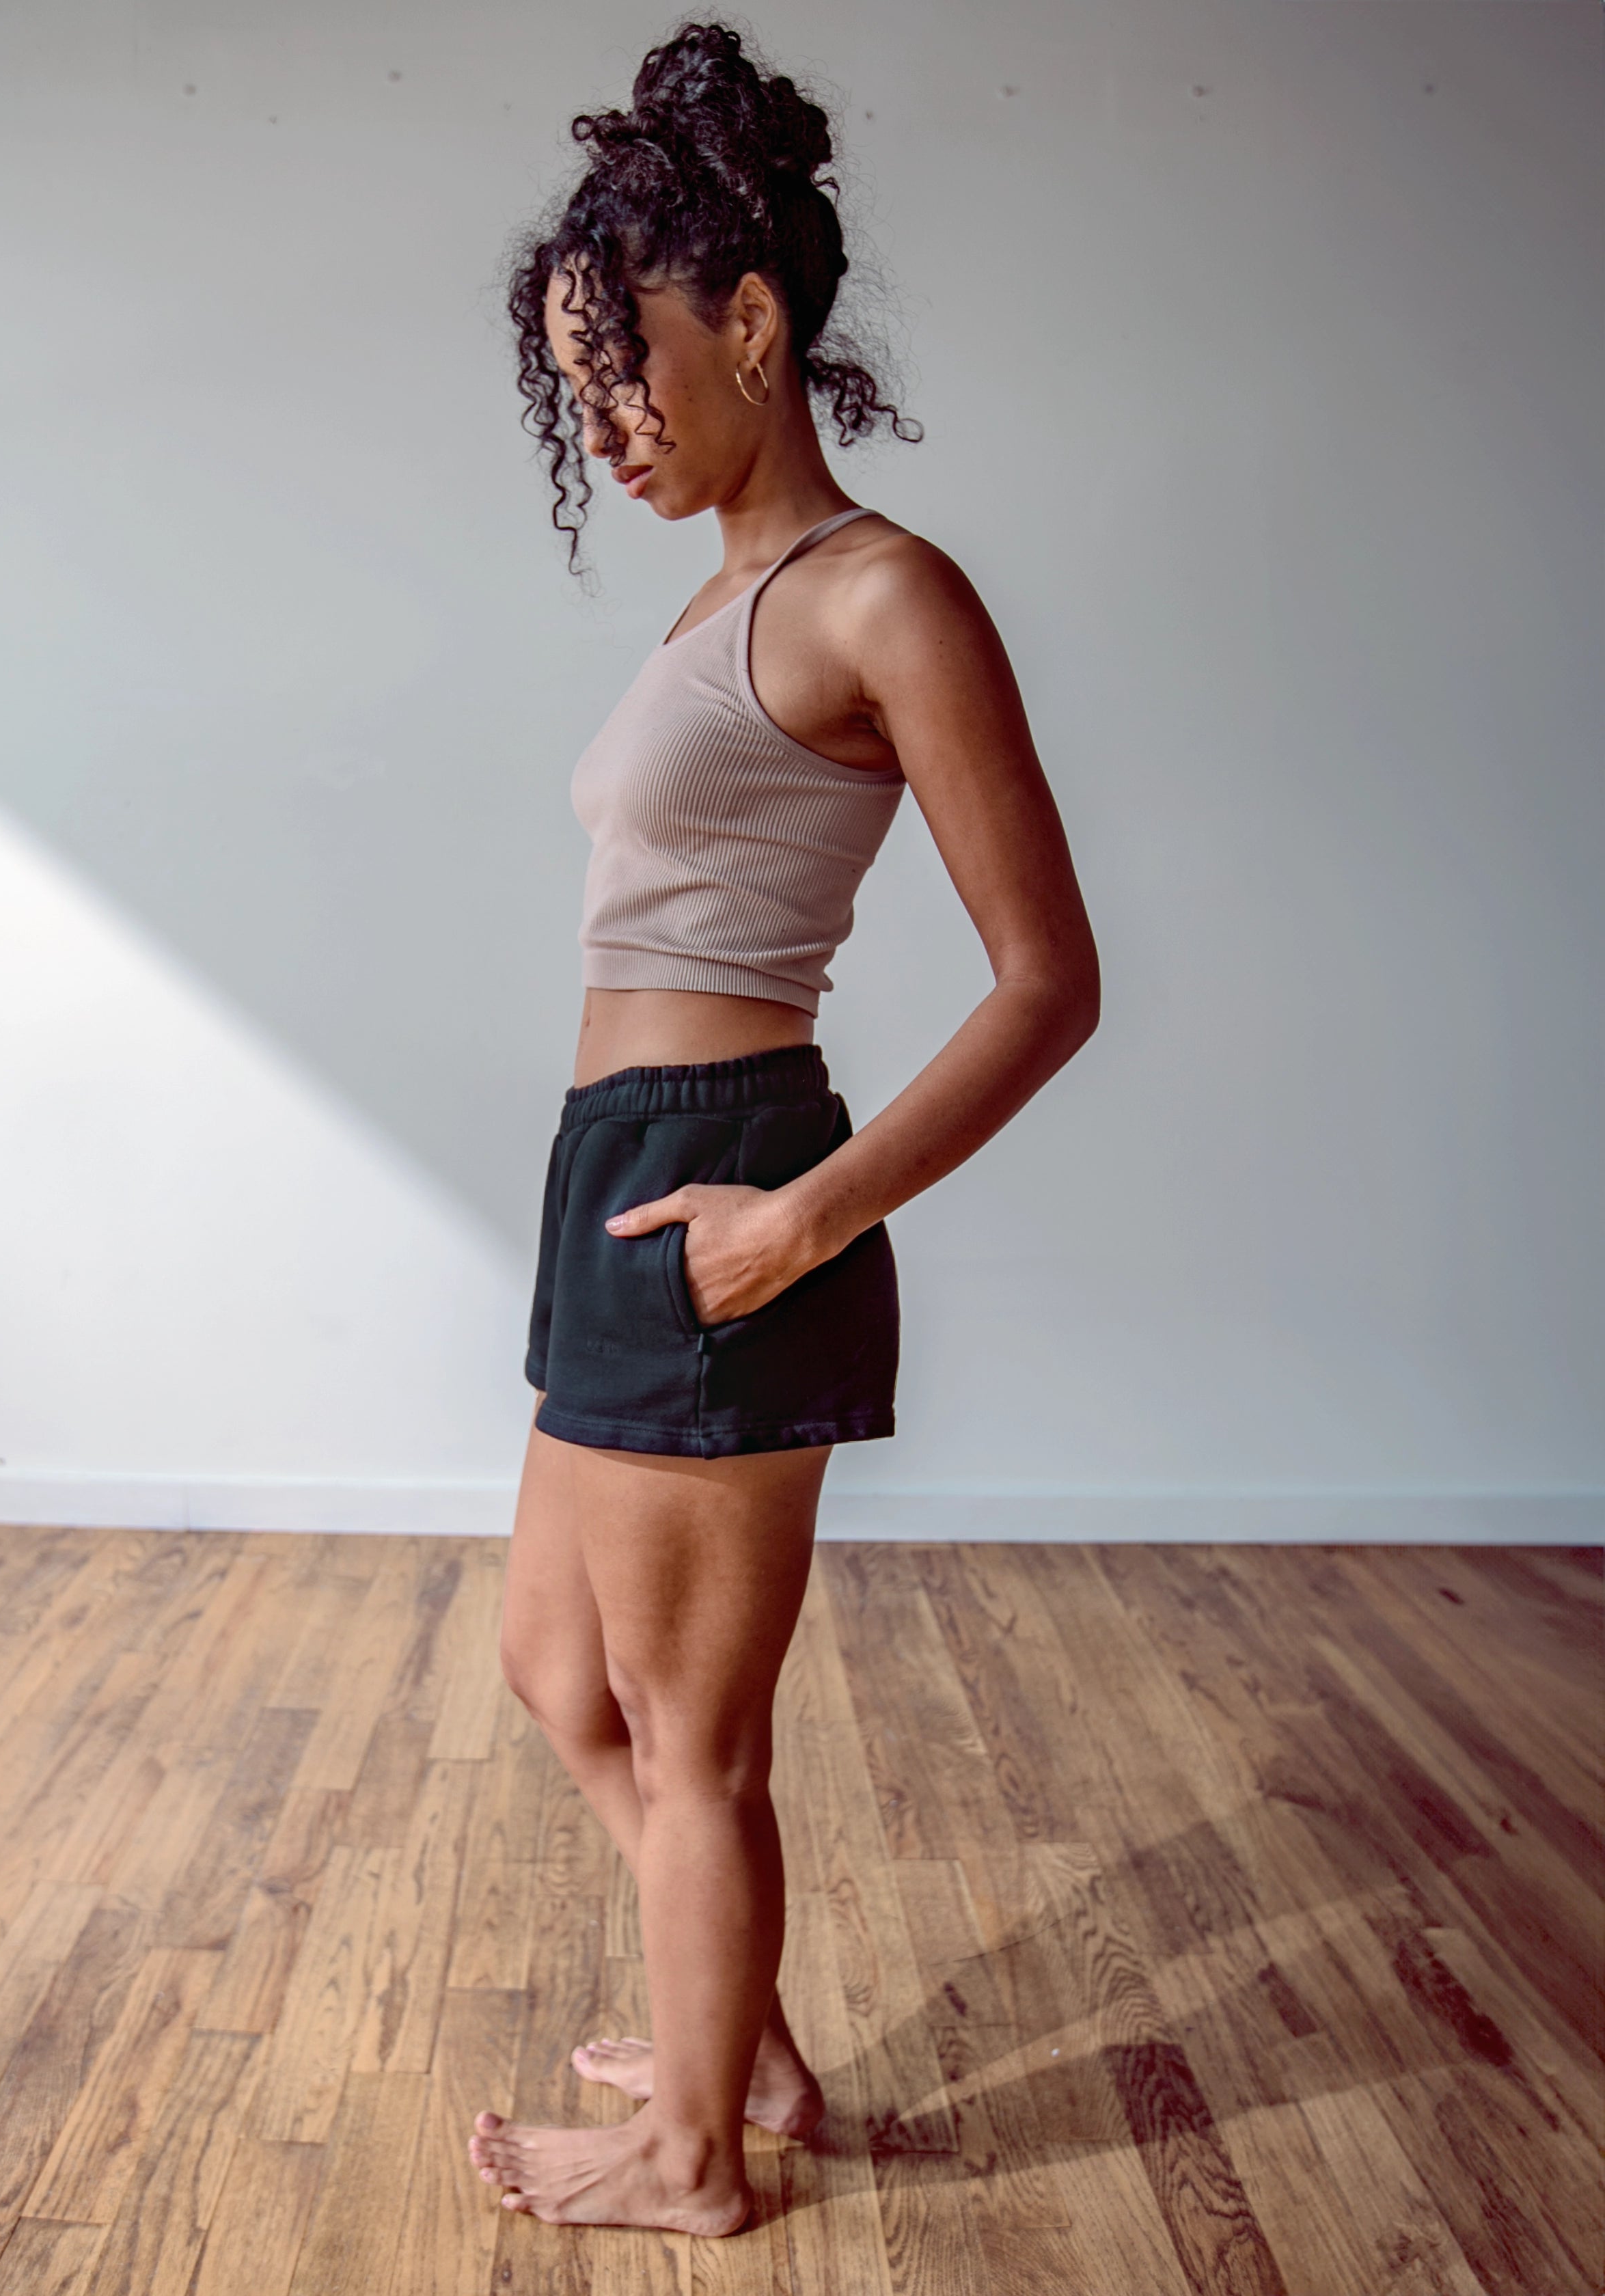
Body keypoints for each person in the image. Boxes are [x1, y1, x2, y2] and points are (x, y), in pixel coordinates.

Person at [468, 18, 1100, 2239]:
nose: (604, 423)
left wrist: (809, 1219)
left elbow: (1051, 984)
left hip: (733, 1155)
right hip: (612, 1169)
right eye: (572, 391)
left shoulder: (878, 593)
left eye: (621, 366)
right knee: (563, 1669)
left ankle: (693, 2151)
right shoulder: (717, 600)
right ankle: (739, 2036)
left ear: (749, 320)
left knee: (691, 1726)